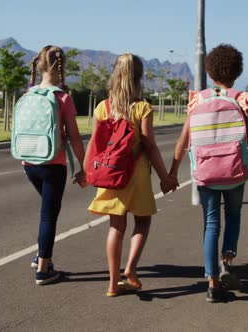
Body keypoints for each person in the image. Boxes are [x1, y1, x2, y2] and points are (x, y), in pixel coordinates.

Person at [168, 44, 248, 302]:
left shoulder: (198, 99)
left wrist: (172, 172)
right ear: (237, 72)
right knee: (234, 215)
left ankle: (212, 283)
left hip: (206, 171)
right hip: (234, 171)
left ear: (210, 70)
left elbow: (184, 140)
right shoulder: (241, 98)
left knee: (211, 224)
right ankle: (227, 259)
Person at [85, 53, 178, 297]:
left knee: (116, 226)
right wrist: (165, 177)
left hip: (110, 173)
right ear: (139, 78)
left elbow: (94, 145)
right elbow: (150, 146)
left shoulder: (102, 107)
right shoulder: (142, 108)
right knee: (143, 220)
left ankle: (112, 284)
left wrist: (85, 172)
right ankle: (131, 269)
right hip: (136, 174)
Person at [24, 45, 87, 285]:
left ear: (39, 66)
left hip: (28, 163)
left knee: (48, 210)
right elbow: (75, 137)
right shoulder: (62, 98)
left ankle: (41, 254)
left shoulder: (28, 94)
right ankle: (43, 268)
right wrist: (84, 167)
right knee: (49, 215)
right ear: (62, 67)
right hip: (53, 164)